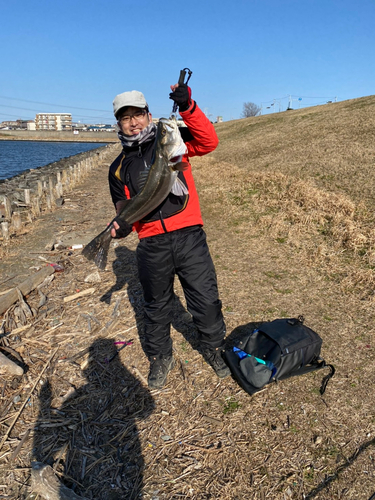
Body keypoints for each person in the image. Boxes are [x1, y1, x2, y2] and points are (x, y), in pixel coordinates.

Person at [108, 82, 230, 389]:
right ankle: (161, 356)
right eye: (126, 117)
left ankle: (213, 347)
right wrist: (120, 227)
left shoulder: (173, 143)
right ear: (119, 123)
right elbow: (124, 209)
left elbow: (208, 141)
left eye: (138, 114)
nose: (133, 122)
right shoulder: (118, 168)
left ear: (149, 115)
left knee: (205, 299)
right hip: (151, 244)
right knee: (156, 305)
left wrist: (188, 107)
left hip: (189, 235)